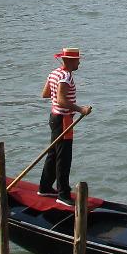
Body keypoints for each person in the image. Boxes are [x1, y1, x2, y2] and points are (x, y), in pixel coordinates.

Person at [38, 47, 91, 199]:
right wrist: (81, 109)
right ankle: (63, 194)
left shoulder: (54, 73)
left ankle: (45, 187)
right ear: (70, 61)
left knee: (53, 154)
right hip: (64, 120)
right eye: (77, 60)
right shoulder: (66, 76)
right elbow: (61, 99)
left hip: (54, 117)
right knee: (64, 157)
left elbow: (46, 94)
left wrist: (57, 96)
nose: (79, 63)